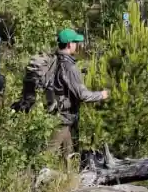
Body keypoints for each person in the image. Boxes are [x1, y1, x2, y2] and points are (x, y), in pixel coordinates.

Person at [15, 28, 108, 164]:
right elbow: (82, 95)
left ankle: (66, 176)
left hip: (58, 116)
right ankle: (30, 175)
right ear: (69, 44)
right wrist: (102, 95)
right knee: (46, 157)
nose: (77, 45)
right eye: (75, 42)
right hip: (64, 119)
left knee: (69, 158)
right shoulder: (69, 67)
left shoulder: (55, 60)